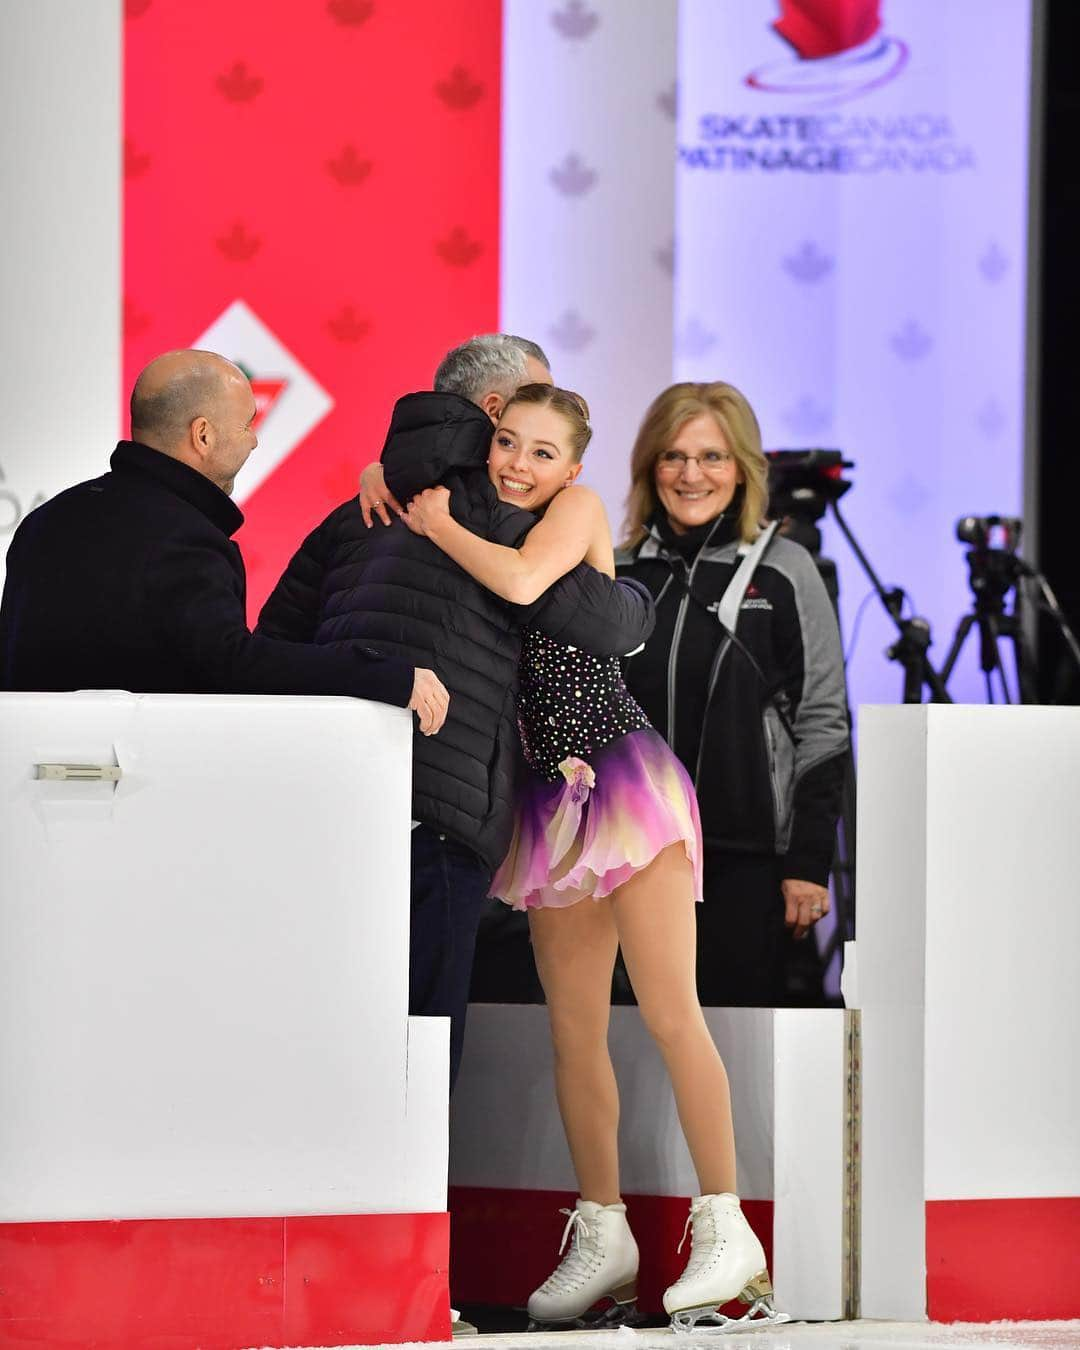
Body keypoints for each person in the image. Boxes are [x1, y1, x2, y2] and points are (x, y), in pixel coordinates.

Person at [401, 382, 783, 1333]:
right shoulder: (485, 510)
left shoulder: (566, 515)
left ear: (574, 469)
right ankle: (605, 1232)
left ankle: (728, 1228)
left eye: (541, 452)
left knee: (667, 1009)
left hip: (619, 775)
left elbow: (526, 585)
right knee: (573, 1030)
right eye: (506, 443)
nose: (518, 465)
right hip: (544, 798)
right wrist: (390, 476)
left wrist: (435, 520)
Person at [255, 335, 654, 1091]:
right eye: (526, 424)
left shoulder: (357, 511)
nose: (527, 459)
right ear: (495, 413)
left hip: (325, 798)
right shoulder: (501, 518)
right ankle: (407, 1213)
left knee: (320, 1029)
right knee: (419, 1047)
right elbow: (611, 627)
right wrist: (638, 599)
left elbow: (272, 646)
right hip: (441, 808)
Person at [0, 350, 447, 733]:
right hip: (129, 801)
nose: (254, 441)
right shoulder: (186, 539)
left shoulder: (44, 521)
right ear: (203, 435)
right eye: (247, 424)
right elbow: (233, 666)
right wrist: (380, 675)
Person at [615, 381, 849, 1007]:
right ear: (650, 468)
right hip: (629, 858)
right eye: (674, 456)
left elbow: (824, 724)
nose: (692, 475)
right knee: (631, 1053)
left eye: (713, 457)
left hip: (747, 865)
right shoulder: (617, 571)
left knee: (731, 1056)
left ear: (743, 469)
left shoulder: (787, 569)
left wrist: (807, 862)